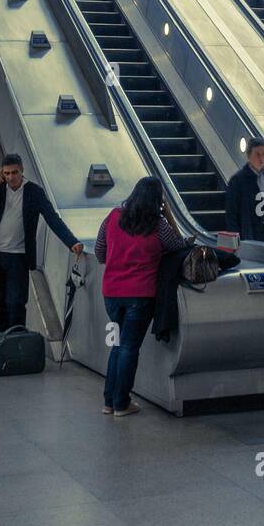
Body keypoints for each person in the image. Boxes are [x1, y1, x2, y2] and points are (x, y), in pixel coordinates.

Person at [94, 177, 186, 416]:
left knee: (117, 346)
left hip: (112, 294)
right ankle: (121, 403)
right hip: (140, 295)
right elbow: (179, 245)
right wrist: (168, 214)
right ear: (158, 201)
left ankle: (109, 402)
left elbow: (99, 253)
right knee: (129, 348)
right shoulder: (158, 225)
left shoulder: (113, 217)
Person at [0, 154, 83, 334]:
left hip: (18, 258)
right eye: (6, 173)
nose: (10, 177)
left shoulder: (34, 192)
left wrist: (71, 241)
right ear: (1, 173)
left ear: (22, 170)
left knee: (16, 304)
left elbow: (52, 218)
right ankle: (1, 344)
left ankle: (17, 344)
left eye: (14, 172)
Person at [225, 140, 264, 244]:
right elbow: (231, 213)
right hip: (250, 232)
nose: (261, 158)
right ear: (249, 156)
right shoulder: (238, 180)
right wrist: (236, 242)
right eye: (257, 154)